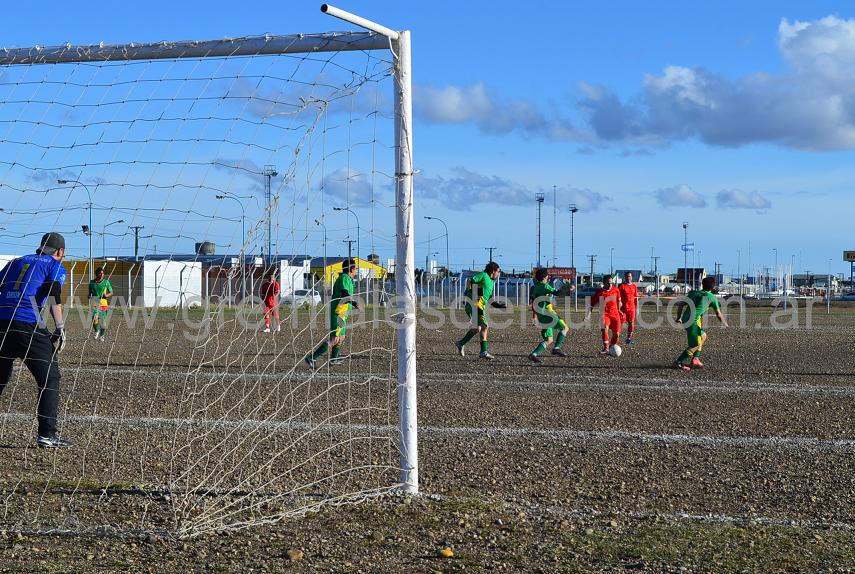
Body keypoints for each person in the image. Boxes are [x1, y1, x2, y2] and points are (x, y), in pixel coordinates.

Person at [0, 232, 71, 448]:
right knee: (50, 379)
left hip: (1, 323)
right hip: (27, 324)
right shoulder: (54, 265)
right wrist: (59, 328)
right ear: (60, 251)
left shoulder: (16, 261)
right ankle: (47, 435)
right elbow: (52, 293)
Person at [305, 258, 359, 368]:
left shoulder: (348, 279)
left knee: (342, 337)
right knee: (335, 339)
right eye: (356, 269)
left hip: (342, 314)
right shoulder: (343, 278)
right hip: (337, 313)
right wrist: (354, 303)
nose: (356, 271)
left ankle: (333, 359)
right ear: (352, 269)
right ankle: (312, 357)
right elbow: (344, 293)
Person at [674, 276, 728, 371]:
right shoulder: (712, 297)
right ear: (712, 288)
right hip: (693, 321)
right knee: (695, 344)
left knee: (703, 336)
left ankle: (695, 359)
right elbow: (719, 314)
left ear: (702, 285)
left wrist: (679, 318)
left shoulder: (693, 293)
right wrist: (724, 324)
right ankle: (678, 362)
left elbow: (681, 304)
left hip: (687, 319)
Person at [455, 261, 505, 360]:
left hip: (477, 305)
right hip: (475, 305)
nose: (499, 274)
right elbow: (472, 280)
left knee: (477, 329)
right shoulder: (483, 275)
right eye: (498, 271)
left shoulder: (491, 282)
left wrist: (498, 305)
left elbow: (489, 298)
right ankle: (483, 352)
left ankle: (460, 343)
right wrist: (471, 296)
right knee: (484, 326)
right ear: (493, 271)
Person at [528, 268, 568, 363]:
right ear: (545, 277)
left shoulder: (537, 286)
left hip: (542, 316)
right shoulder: (544, 286)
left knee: (549, 339)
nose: (548, 278)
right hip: (548, 314)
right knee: (565, 328)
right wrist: (568, 288)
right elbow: (557, 293)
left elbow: (534, 300)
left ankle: (533, 354)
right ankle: (556, 348)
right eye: (547, 276)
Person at [587, 274, 622, 356]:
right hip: (605, 314)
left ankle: (611, 347)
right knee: (604, 328)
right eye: (608, 283)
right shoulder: (599, 292)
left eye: (611, 283)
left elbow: (619, 301)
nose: (610, 284)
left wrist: (620, 310)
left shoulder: (616, 290)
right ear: (604, 283)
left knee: (616, 334)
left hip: (615, 315)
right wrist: (588, 315)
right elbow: (591, 305)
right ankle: (606, 348)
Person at [89, 267, 113, 341]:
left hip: (103, 303)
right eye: (100, 273)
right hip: (95, 303)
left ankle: (102, 336)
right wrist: (89, 295)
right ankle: (97, 331)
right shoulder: (92, 282)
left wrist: (107, 295)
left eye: (103, 273)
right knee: (94, 319)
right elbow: (90, 292)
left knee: (103, 322)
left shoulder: (106, 282)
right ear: (96, 274)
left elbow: (111, 292)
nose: (102, 274)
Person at [618, 271, 639, 345]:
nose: (628, 278)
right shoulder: (622, 286)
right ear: (625, 277)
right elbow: (618, 298)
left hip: (631, 308)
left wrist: (637, 308)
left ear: (632, 277)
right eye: (627, 276)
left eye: (630, 276)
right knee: (619, 324)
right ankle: (615, 339)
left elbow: (636, 298)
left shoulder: (634, 286)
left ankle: (628, 339)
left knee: (631, 323)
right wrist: (619, 307)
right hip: (623, 309)